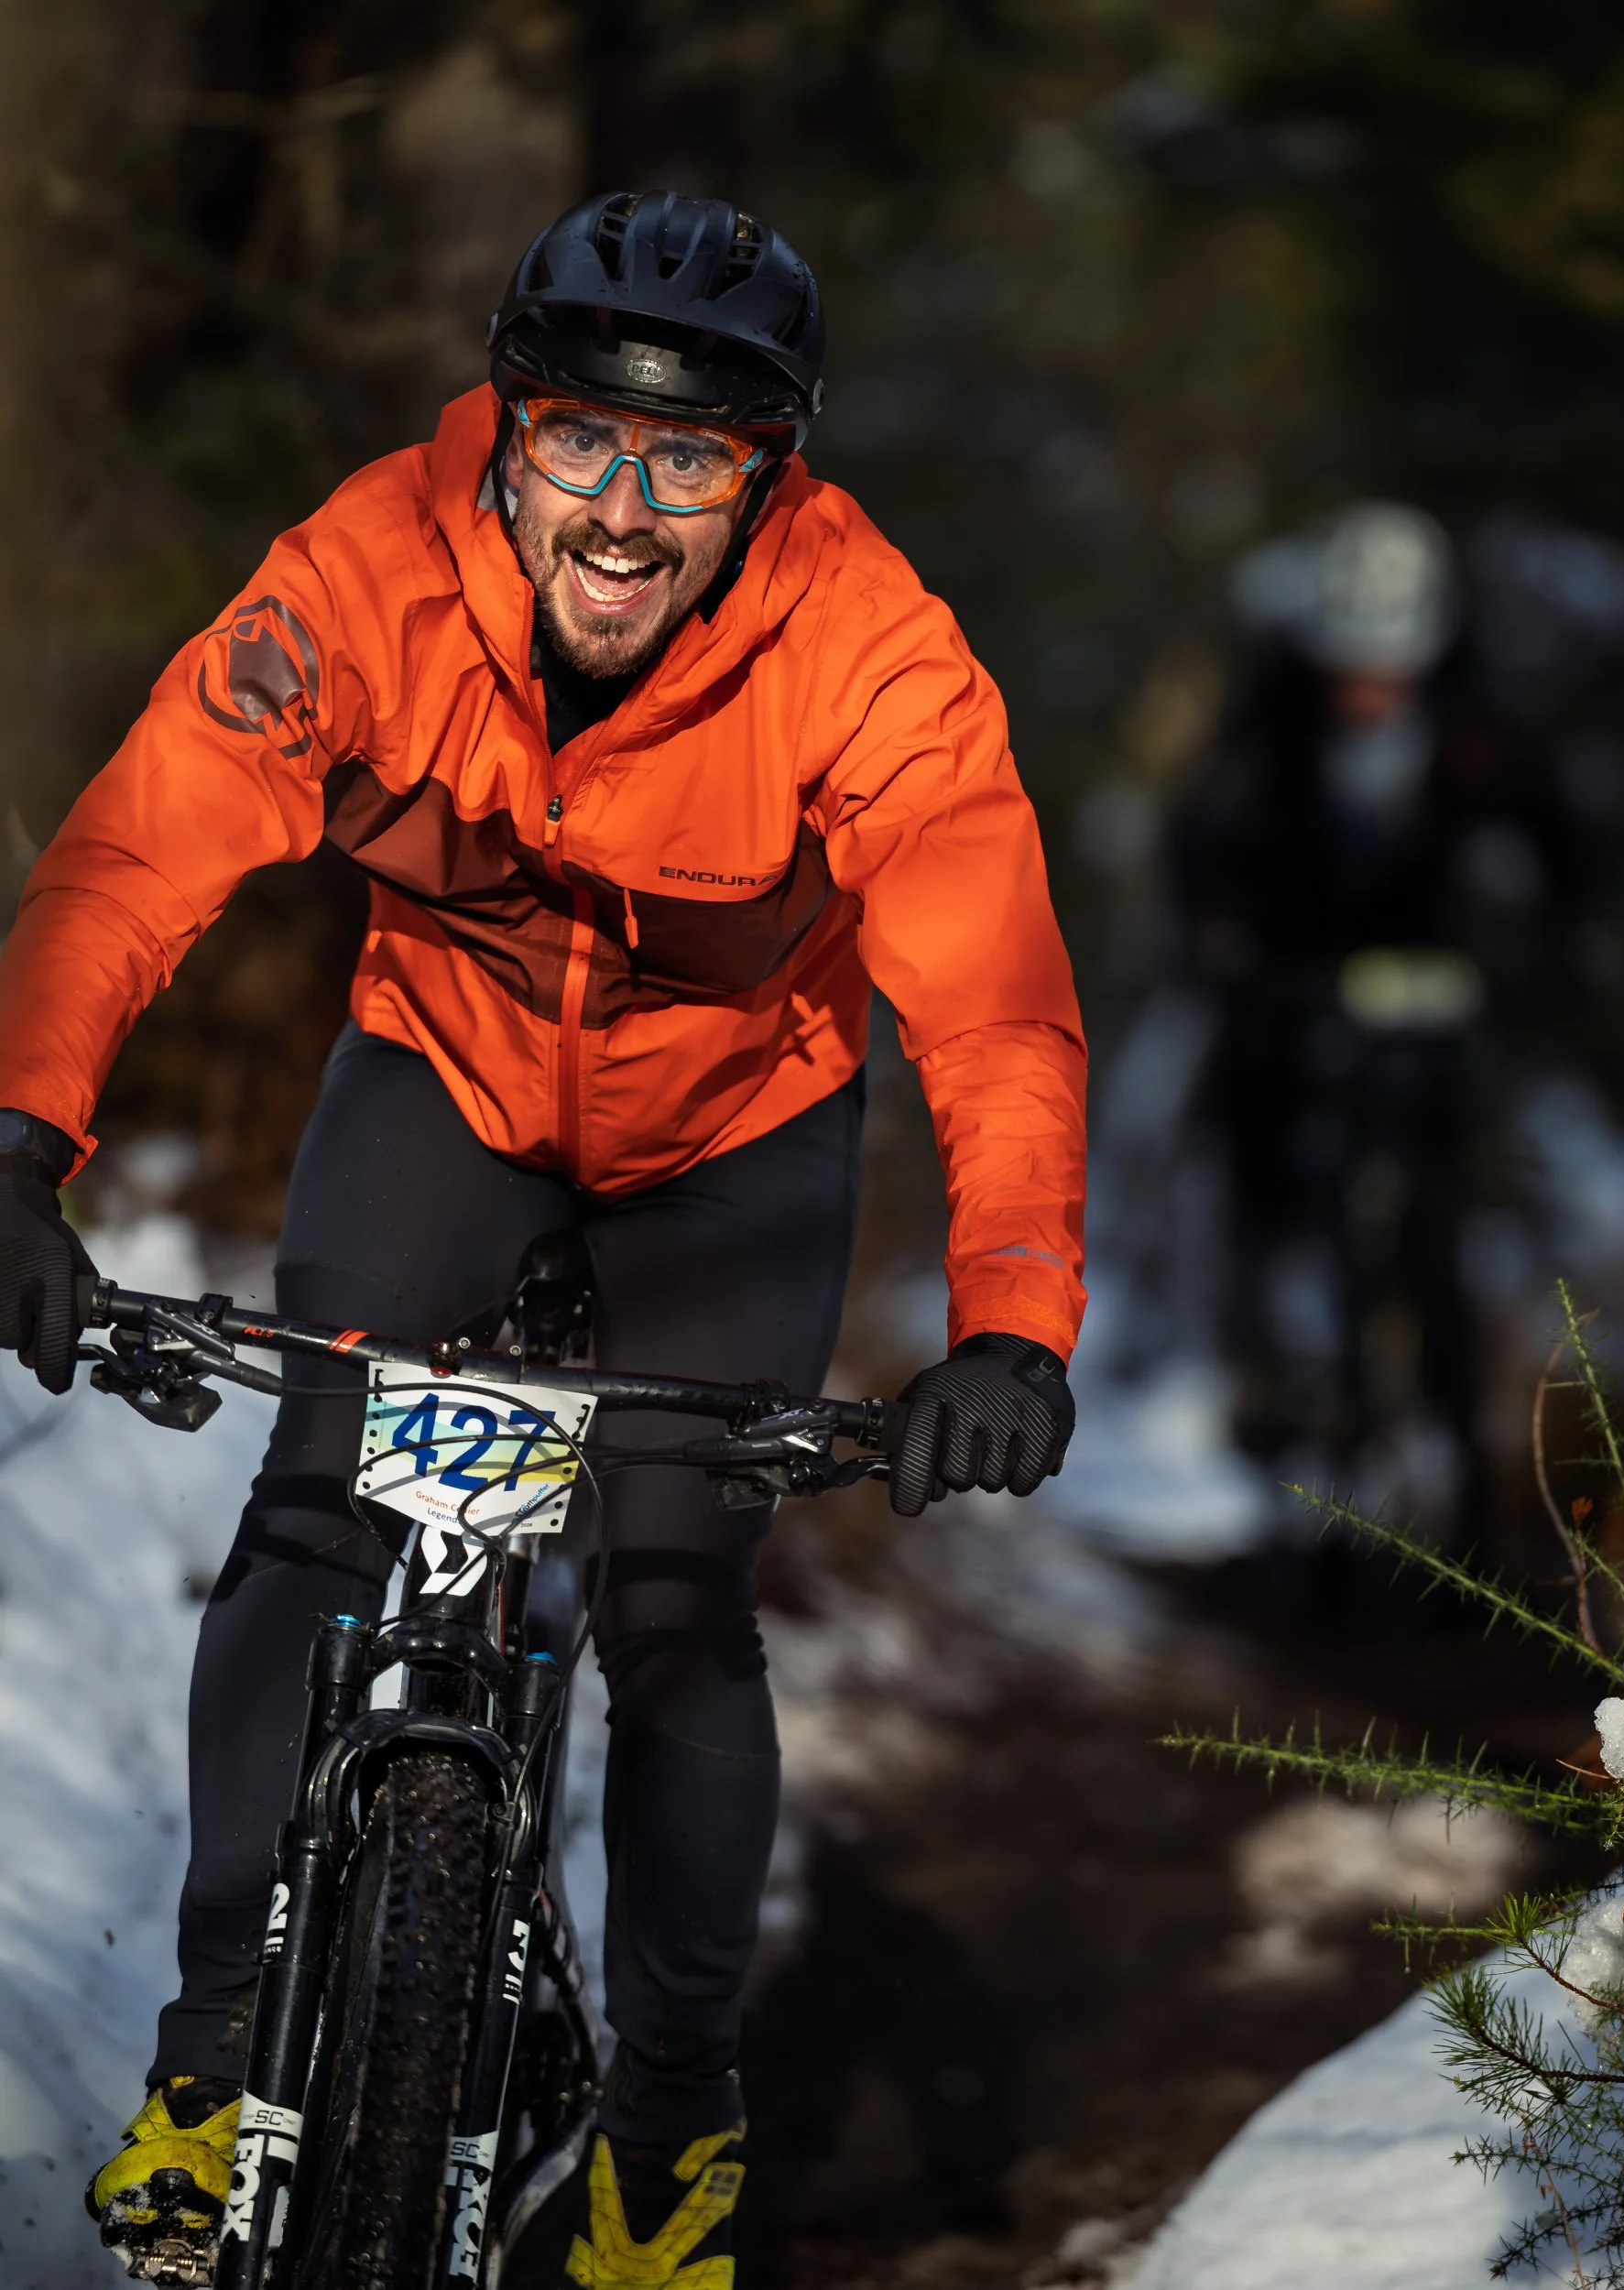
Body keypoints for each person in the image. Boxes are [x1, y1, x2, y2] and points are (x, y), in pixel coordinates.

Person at [0, 191, 1085, 2285]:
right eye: (580, 436)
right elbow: (143, 842)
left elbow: (990, 993)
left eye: (688, 460)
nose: (621, 505)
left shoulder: (873, 653)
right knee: (312, 1507)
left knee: (677, 1599)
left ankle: (664, 2141)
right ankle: (217, 2064)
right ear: (500, 425)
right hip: (446, 1091)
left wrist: (1010, 1322)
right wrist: (17, 1142)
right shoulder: (364, 573)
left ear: (767, 484)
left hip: (731, 1148)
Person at [1177, 502, 1597, 1508]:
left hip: (1438, 1003)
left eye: (1391, 663)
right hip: (1296, 996)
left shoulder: (1481, 723)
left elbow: (1568, 851)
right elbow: (1206, 846)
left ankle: (1462, 1431)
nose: (1370, 685)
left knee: (1452, 1202)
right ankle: (1273, 1381)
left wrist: (1559, 945)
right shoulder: (1272, 715)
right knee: (1255, 1159)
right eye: (1351, 663)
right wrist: (1224, 943)